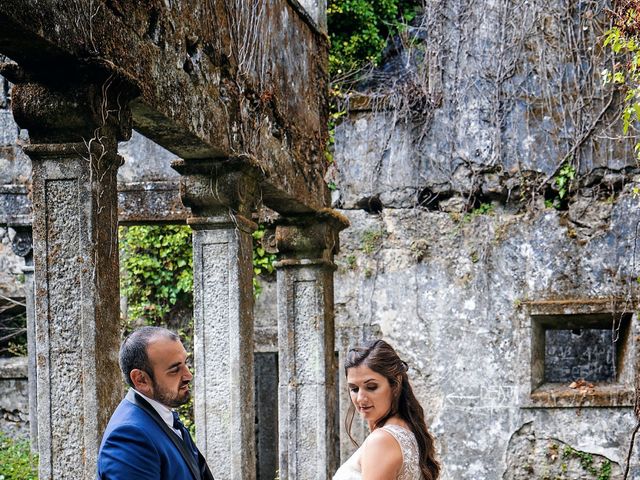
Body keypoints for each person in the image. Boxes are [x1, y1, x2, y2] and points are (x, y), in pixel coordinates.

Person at [97, 326, 214, 480]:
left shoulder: (159, 415)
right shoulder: (129, 437)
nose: (188, 375)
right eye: (174, 370)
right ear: (141, 379)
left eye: (185, 363)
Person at [333, 339, 440, 480]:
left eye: (371, 387)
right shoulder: (407, 430)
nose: (360, 398)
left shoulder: (381, 441)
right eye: (354, 389)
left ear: (395, 384)